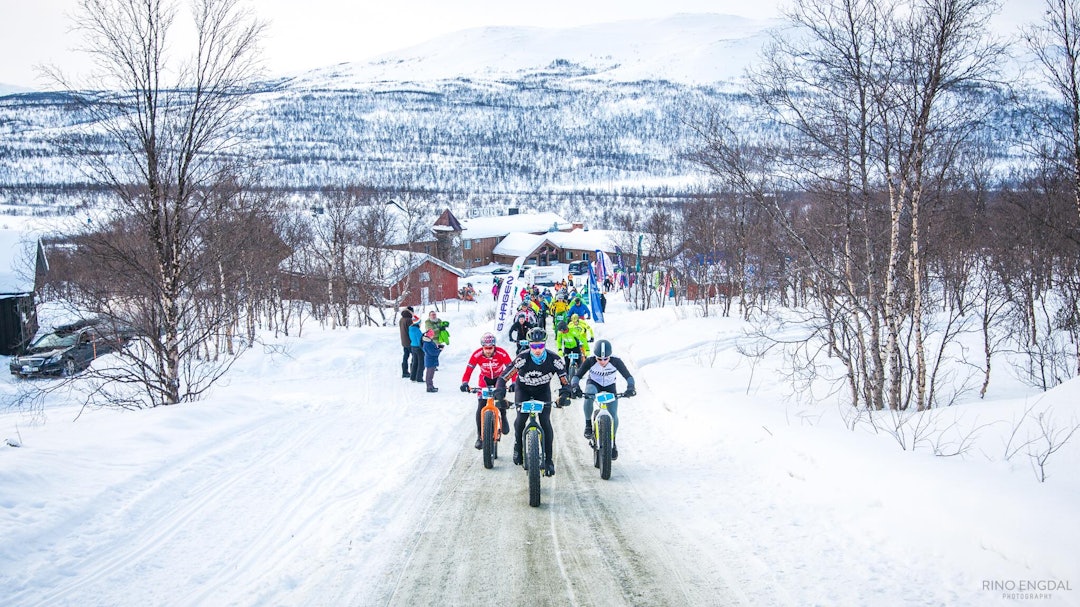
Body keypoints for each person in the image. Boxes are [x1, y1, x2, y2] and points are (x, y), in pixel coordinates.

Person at [494, 327, 571, 477]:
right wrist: (499, 393)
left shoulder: (554, 359)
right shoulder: (522, 359)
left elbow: (565, 381)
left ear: (545, 344)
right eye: (534, 346)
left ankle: (548, 460)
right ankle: (518, 446)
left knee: (545, 422)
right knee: (521, 420)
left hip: (543, 392)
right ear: (529, 345)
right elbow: (503, 377)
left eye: (540, 346)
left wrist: (565, 394)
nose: (537, 350)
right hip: (523, 391)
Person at [571, 339, 636, 460]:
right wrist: (575, 386)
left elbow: (628, 376)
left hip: (610, 387)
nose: (602, 362)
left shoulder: (616, 361)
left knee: (613, 414)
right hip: (594, 384)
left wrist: (631, 387)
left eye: (605, 359)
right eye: (599, 359)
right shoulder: (590, 361)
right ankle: (588, 424)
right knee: (589, 393)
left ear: (610, 356)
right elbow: (577, 376)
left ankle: (612, 441)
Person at [460, 332, 514, 449]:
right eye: (486, 348)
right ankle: (480, 436)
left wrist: (514, 382)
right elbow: (468, 370)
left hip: (499, 379)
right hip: (484, 380)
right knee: (481, 406)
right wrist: (465, 383)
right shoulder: (477, 354)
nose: (488, 351)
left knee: (500, 400)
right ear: (482, 347)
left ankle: (503, 416)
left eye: (490, 348)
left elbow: (512, 369)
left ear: (494, 346)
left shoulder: (502, 353)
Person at [408, 315, 425, 382]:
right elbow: (419, 341)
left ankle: (413, 377)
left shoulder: (410, 328)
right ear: (418, 323)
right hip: (418, 348)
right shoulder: (417, 330)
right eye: (420, 322)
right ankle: (419, 378)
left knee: (415, 362)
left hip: (413, 346)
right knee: (421, 363)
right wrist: (423, 349)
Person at [398, 308, 413, 378]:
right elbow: (412, 330)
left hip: (404, 341)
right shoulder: (409, 320)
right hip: (410, 341)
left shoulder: (401, 319)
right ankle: (413, 371)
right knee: (415, 356)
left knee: (405, 356)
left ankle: (404, 371)